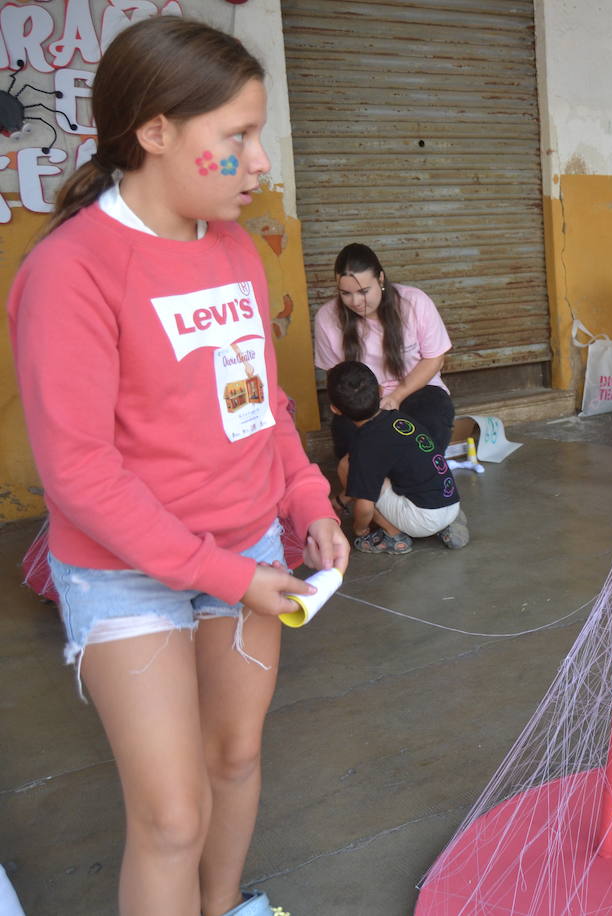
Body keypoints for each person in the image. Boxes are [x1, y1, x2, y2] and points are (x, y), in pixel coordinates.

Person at [7, 18, 350, 916]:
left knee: (234, 759)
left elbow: (261, 404)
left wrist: (306, 498)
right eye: (234, 138)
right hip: (128, 576)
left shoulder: (232, 246)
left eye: (256, 134)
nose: (260, 161)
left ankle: (223, 904)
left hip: (244, 546)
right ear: (155, 131)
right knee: (168, 817)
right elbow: (79, 474)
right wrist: (227, 576)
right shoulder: (70, 270)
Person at [313, 243, 455, 475]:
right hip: (363, 399)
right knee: (349, 441)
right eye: (345, 293)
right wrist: (362, 403)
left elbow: (434, 359)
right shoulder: (326, 318)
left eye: (364, 291)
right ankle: (375, 497)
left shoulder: (414, 302)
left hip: (416, 390)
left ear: (380, 279)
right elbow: (336, 376)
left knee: (430, 421)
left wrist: (396, 397)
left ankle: (418, 490)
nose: (356, 302)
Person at [326, 361, 469, 554]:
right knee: (380, 471)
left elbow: (365, 507)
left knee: (348, 466)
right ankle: (447, 525)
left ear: (335, 409)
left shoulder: (365, 445)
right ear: (381, 390)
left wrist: (359, 528)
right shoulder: (400, 420)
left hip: (422, 519)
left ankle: (393, 534)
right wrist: (342, 498)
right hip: (450, 501)